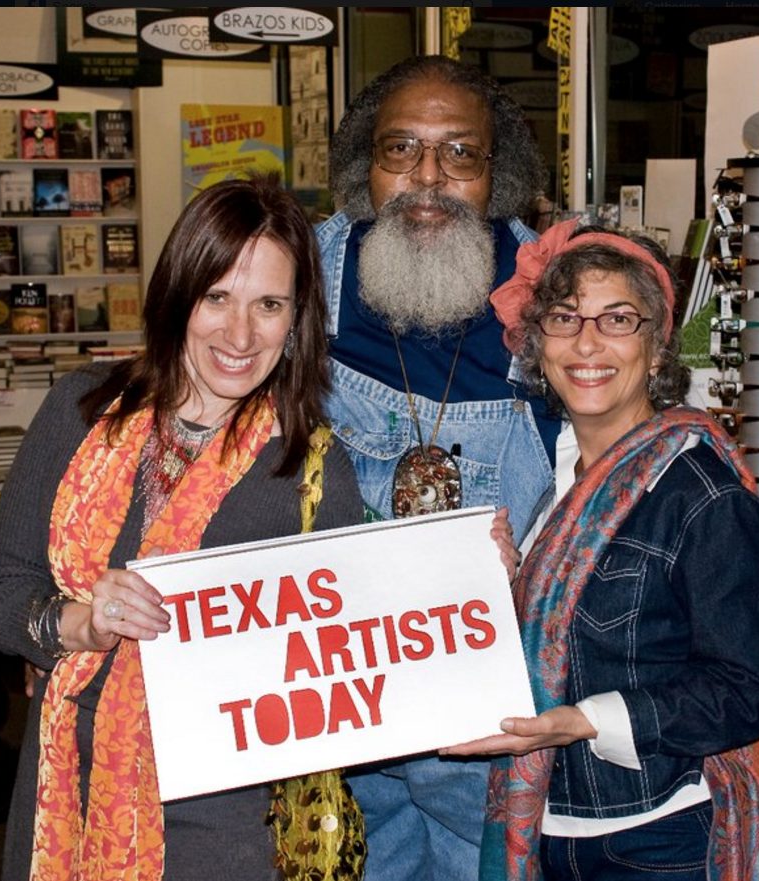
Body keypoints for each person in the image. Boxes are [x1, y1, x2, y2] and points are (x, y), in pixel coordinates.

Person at [0, 174, 367, 881]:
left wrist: (464, 571)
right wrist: (75, 624)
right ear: (178, 292)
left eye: (268, 304)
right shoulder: (81, 411)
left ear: (296, 317)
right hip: (68, 789)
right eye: (217, 297)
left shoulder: (310, 471)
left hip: (226, 820)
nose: (240, 335)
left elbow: (345, 651)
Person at [445, 219, 759, 880]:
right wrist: (495, 585)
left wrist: (585, 721)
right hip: (550, 832)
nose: (587, 343)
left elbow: (749, 691)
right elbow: (558, 639)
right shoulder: (545, 478)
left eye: (617, 318)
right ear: (537, 339)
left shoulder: (699, 493)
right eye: (564, 317)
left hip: (658, 839)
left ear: (656, 339)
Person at [317, 53, 562, 879]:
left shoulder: (558, 293)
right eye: (400, 150)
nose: (428, 177)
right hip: (330, 697)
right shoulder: (296, 279)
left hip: (485, 711)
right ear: (364, 167)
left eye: (460, 153)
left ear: (499, 175)